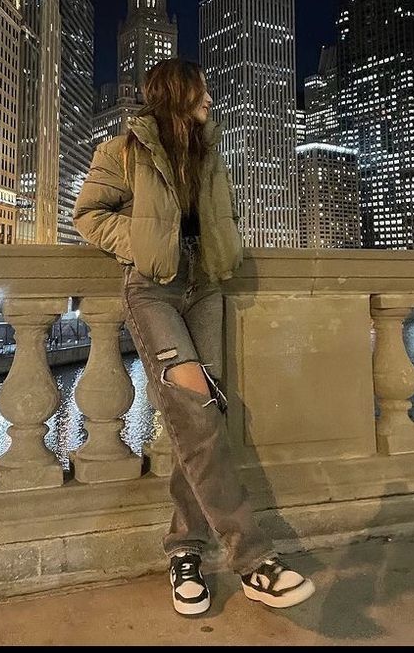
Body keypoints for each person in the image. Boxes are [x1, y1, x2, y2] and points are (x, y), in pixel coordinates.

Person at [73, 58, 315, 616]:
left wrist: (222, 253)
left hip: (205, 286)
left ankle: (185, 551)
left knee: (202, 416)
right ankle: (253, 559)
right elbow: (87, 214)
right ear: (178, 94)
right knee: (195, 408)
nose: (211, 100)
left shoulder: (208, 152)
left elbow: (214, 220)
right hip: (154, 290)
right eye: (202, 92)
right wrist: (139, 244)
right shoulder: (123, 149)